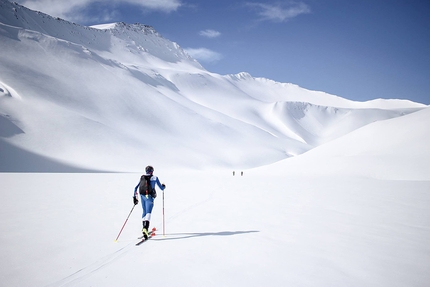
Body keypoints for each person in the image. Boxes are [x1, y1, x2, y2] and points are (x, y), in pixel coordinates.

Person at [133, 165, 165, 239]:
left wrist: (134, 197)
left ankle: (143, 227)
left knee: (144, 211)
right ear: (152, 171)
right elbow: (161, 188)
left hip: (142, 196)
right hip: (150, 197)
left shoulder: (142, 177)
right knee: (148, 212)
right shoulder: (155, 178)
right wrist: (164, 186)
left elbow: (135, 187)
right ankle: (145, 228)